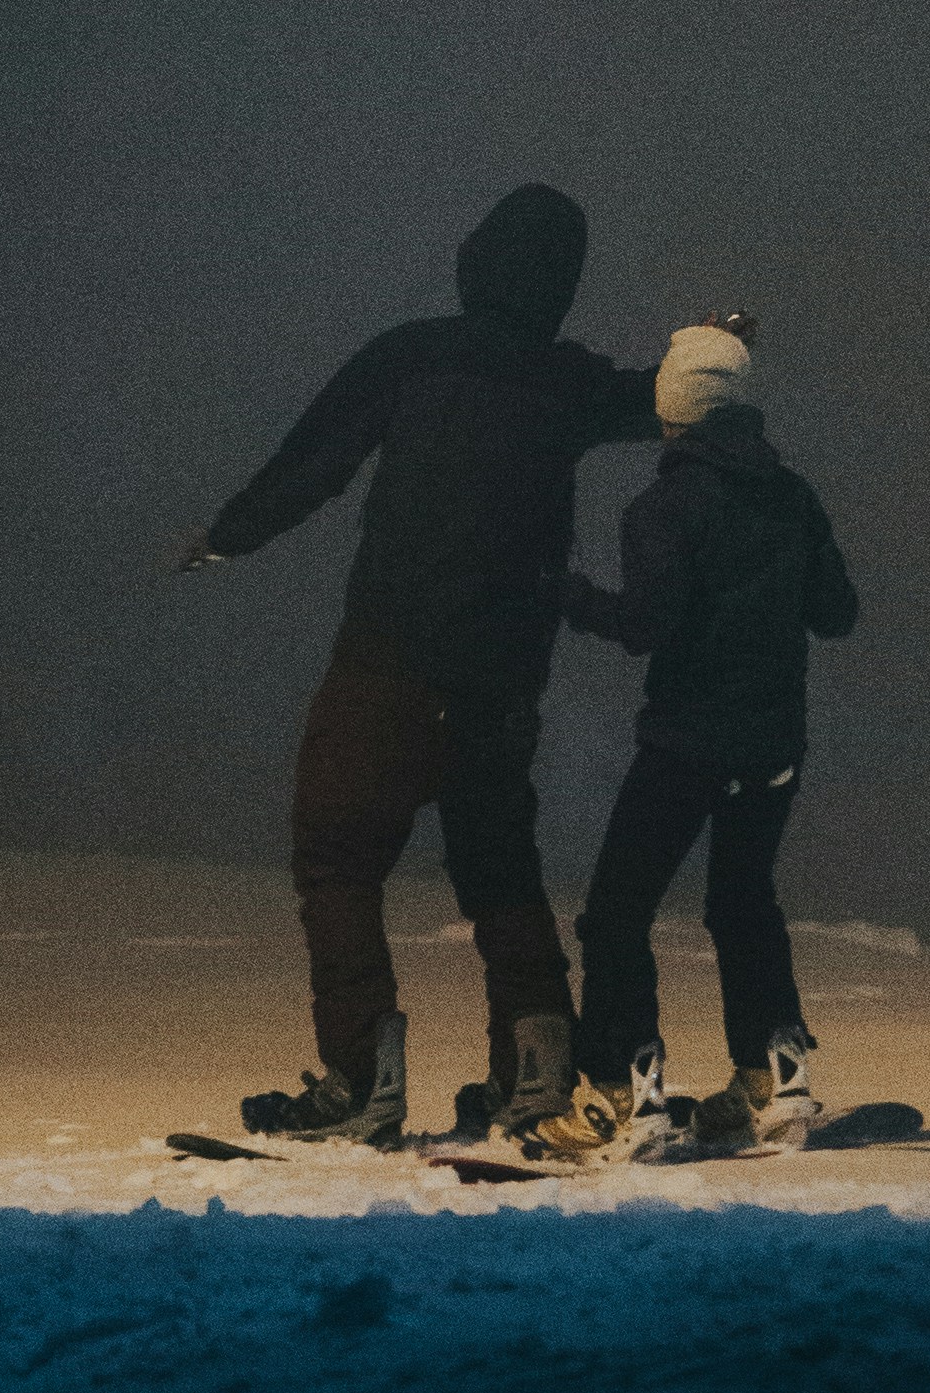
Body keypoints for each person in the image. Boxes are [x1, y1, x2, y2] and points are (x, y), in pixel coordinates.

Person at [171, 184, 691, 1149]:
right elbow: (657, 396)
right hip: (502, 680)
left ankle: (364, 1074)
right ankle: (538, 1072)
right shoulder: (566, 379)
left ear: (475, 259)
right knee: (498, 864)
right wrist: (711, 351)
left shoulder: (413, 354)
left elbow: (317, 457)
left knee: (337, 853)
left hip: (390, 657)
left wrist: (229, 533)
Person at [520, 314, 859, 1166]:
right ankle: (776, 1083)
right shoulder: (793, 493)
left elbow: (644, 624)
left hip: (688, 741)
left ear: (673, 410)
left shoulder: (665, 505)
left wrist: (563, 592)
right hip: (776, 740)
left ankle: (629, 1101)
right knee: (743, 904)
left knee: (617, 914)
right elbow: (837, 612)